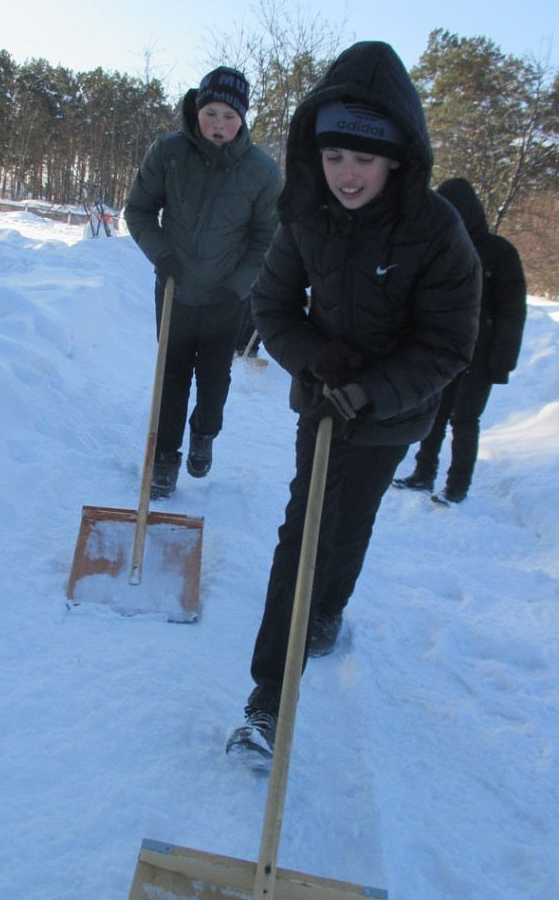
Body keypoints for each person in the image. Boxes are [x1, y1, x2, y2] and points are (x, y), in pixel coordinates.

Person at [225, 41, 482, 769]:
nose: (346, 173)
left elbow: (448, 344)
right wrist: (316, 360)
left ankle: (330, 607)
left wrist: (369, 389)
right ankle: (268, 700)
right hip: (323, 403)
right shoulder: (306, 215)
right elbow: (271, 303)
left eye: (364, 159)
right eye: (334, 155)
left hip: (393, 412)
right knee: (302, 531)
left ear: (397, 158)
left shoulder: (438, 232)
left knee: (349, 525)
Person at [124, 67, 282, 498]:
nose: (219, 124)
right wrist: (162, 256)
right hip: (174, 287)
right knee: (171, 375)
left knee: (213, 380)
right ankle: (164, 458)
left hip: (226, 296)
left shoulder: (262, 171)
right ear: (197, 110)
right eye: (210, 112)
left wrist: (237, 287)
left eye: (229, 116)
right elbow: (138, 211)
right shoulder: (169, 153)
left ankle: (205, 432)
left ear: (243, 118)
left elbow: (267, 240)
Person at [393, 177, 527, 504]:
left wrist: (502, 363)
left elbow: (512, 312)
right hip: (444, 350)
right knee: (435, 414)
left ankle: (457, 486)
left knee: (465, 420)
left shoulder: (499, 252)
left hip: (482, 354)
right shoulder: (439, 248)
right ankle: (423, 474)